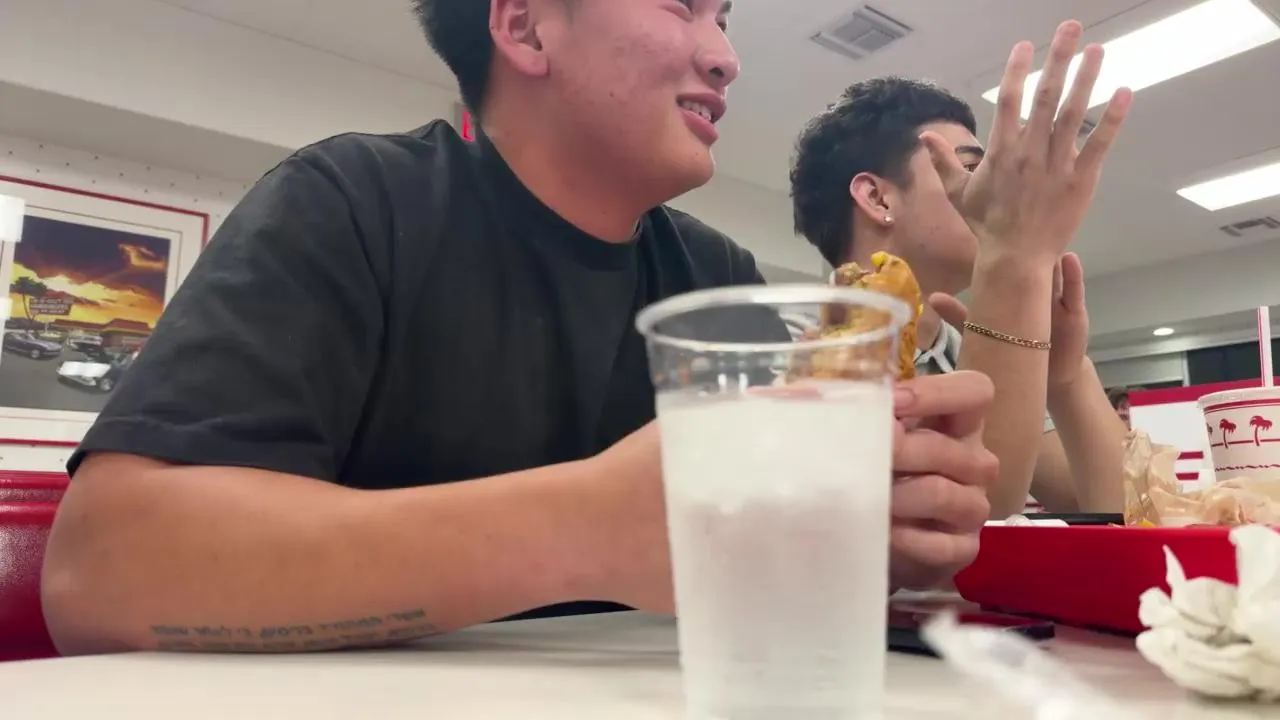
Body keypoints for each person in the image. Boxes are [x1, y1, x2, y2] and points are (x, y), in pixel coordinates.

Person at [40, 0, 995, 655]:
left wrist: (872, 534)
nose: (724, 56)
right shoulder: (352, 203)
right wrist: (583, 526)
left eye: (724, 17)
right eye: (682, 6)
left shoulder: (718, 281)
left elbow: (766, 574)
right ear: (526, 24)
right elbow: (102, 575)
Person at [790, 21, 1132, 518]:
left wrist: (1065, 376)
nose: (993, 187)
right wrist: (1014, 258)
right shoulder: (790, 346)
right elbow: (967, 522)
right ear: (878, 197)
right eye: (971, 168)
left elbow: (1123, 507)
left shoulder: (961, 345)